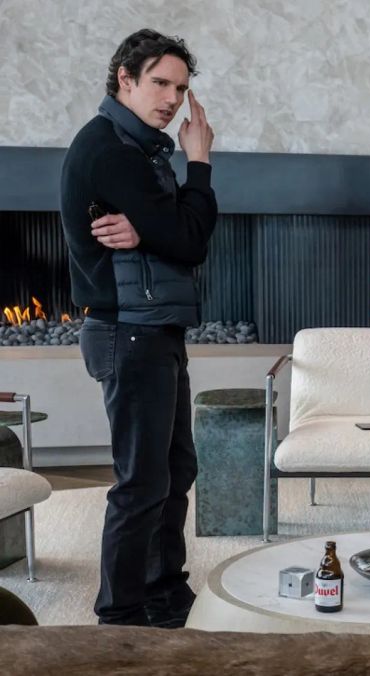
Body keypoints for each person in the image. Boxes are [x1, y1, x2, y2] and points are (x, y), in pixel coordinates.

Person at [60, 29, 217, 626]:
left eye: (180, 87)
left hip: (153, 328)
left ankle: (164, 594)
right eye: (160, 83)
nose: (172, 99)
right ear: (125, 78)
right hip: (129, 332)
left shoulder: (139, 148)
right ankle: (120, 617)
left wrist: (154, 228)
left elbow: (176, 234)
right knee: (141, 483)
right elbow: (190, 241)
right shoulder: (111, 151)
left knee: (174, 471)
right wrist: (199, 162)